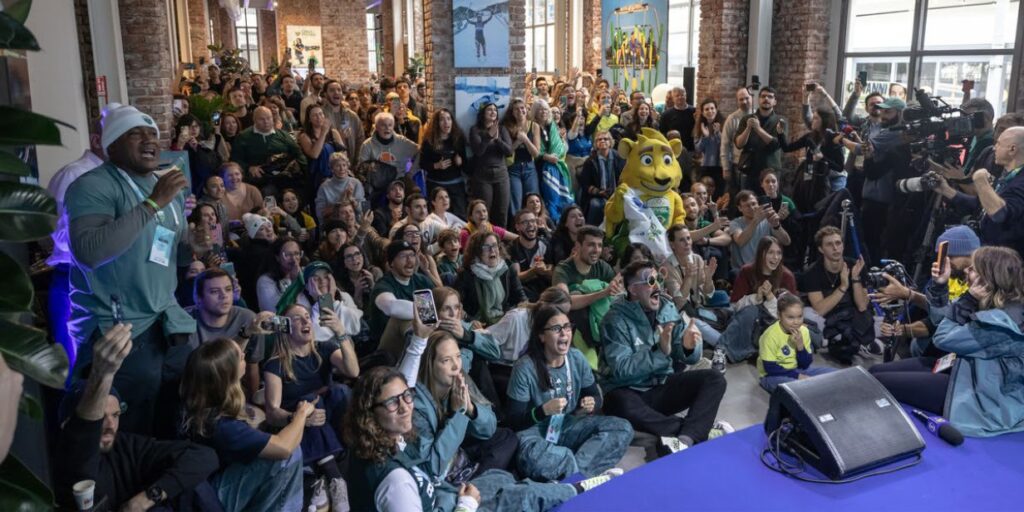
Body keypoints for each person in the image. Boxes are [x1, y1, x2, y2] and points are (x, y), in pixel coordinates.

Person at [66, 104, 195, 436]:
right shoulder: (92, 186)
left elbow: (170, 249)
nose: (149, 140)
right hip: (119, 331)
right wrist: (153, 203)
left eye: (152, 133)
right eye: (135, 133)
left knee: (176, 415)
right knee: (127, 432)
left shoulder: (164, 186)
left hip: (165, 322)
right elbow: (90, 252)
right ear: (111, 144)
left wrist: (197, 244)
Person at [343, 366, 617, 512]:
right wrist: (467, 505)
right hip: (453, 504)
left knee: (502, 478)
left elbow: (489, 428)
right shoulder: (395, 482)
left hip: (444, 494)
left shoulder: (382, 442)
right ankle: (584, 488)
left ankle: (560, 487)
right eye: (392, 403)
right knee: (522, 496)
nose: (405, 407)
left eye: (406, 396)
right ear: (370, 413)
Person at [56, 324, 218, 510]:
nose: (110, 424)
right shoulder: (66, 460)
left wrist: (147, 498)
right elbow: (82, 440)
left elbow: (204, 456)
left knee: (192, 485)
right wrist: (102, 374)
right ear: (67, 424)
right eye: (100, 417)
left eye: (115, 415)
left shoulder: (125, 445)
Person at [870, 246, 1024, 437]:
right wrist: (940, 285)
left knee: (876, 381)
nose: (967, 270)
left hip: (979, 396)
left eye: (973, 269)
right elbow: (940, 321)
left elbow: (943, 339)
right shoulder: (991, 300)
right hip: (964, 370)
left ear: (987, 280)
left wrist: (967, 300)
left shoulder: (1001, 324)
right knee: (874, 372)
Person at [599, 261, 731, 455]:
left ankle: (683, 440)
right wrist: (660, 352)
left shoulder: (666, 307)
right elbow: (622, 369)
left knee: (715, 379)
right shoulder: (614, 320)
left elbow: (687, 357)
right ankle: (695, 432)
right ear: (633, 289)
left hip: (660, 385)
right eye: (651, 280)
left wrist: (688, 347)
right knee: (618, 403)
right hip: (628, 391)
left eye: (659, 279)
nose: (658, 285)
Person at [505, 305, 632, 481]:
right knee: (534, 458)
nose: (564, 333)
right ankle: (586, 472)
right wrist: (542, 411)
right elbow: (513, 421)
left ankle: (574, 475)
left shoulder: (576, 358)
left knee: (622, 428)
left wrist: (591, 403)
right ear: (541, 336)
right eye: (556, 329)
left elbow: (596, 397)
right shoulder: (524, 368)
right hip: (534, 437)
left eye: (567, 327)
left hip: (567, 427)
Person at [180, 338, 309, 511]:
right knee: (289, 454)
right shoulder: (222, 427)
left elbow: (220, 358)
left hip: (201, 483)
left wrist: (247, 333)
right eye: (240, 358)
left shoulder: (198, 399)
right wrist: (301, 414)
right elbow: (283, 448)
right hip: (209, 496)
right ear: (229, 373)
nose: (244, 355)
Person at [263, 303, 357, 511]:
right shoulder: (275, 365)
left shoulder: (324, 348)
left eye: (307, 316)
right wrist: (297, 418)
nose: (306, 321)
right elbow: (271, 413)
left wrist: (341, 332)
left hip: (328, 425)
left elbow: (353, 371)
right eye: (297, 318)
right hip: (300, 429)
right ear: (285, 327)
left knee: (340, 390)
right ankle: (333, 477)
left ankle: (322, 473)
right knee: (309, 401)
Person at [398, 324, 516, 484]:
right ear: (429, 364)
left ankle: (479, 481)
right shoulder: (416, 403)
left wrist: (471, 410)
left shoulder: (459, 377)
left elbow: (490, 428)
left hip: (460, 450)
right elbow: (433, 466)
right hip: (441, 471)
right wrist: (458, 414)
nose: (456, 366)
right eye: (446, 360)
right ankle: (476, 486)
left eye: (458, 356)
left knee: (506, 437)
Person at [47, 116, 105, 367]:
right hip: (74, 277)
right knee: (75, 361)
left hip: (105, 280)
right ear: (97, 140)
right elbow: (57, 233)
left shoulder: (117, 177)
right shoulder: (75, 175)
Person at [185, 268, 274, 397]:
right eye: (214, 291)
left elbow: (252, 368)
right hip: (196, 395)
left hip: (234, 396)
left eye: (228, 289)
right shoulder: (184, 320)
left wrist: (251, 402)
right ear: (198, 297)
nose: (224, 296)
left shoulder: (248, 318)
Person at [938, 127, 1024, 256]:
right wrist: (946, 190)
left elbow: (1000, 214)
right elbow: (982, 206)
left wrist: (980, 179)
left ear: (1012, 149)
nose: (994, 148)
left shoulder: (1021, 182)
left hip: (1005, 262)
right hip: (989, 254)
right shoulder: (1007, 175)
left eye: (999, 144)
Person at [802, 226, 873, 365]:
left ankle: (858, 340)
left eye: (838, 243)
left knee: (865, 318)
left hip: (853, 312)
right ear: (821, 249)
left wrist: (855, 279)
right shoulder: (812, 273)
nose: (835, 248)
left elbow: (862, 305)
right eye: (829, 244)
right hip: (829, 316)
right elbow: (820, 309)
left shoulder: (855, 266)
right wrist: (843, 287)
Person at [368, 240, 438, 359]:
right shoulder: (384, 284)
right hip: (387, 350)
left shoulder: (420, 280)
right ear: (391, 263)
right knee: (402, 320)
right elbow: (391, 307)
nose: (409, 260)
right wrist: (430, 313)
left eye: (411, 255)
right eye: (403, 256)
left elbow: (441, 299)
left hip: (422, 342)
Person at [757, 294, 835, 392]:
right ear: (779, 315)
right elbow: (770, 368)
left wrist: (800, 347)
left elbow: (805, 364)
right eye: (790, 317)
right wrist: (797, 376)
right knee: (799, 388)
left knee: (836, 374)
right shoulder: (770, 335)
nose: (796, 322)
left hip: (797, 369)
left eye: (800, 316)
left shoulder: (804, 331)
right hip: (772, 376)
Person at [229, 106, 307, 195]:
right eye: (261, 119)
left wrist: (303, 169)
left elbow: (298, 153)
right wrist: (249, 168)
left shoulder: (282, 135)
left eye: (268, 118)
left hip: (285, 176)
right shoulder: (243, 137)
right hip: (259, 179)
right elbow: (235, 160)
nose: (266, 122)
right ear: (254, 120)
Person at [455, 231, 528, 325]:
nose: (492, 250)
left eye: (494, 245)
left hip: (505, 321)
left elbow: (521, 297)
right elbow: (457, 306)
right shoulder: (465, 274)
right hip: (477, 326)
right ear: (476, 252)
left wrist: (519, 310)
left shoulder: (508, 269)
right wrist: (470, 321)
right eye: (486, 247)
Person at [469, 102, 514, 227]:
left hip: (501, 174)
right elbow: (478, 151)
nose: (493, 112)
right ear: (483, 114)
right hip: (483, 175)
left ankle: (500, 241)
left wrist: (498, 140)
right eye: (489, 109)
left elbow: (509, 151)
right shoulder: (475, 130)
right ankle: (482, 238)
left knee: (501, 211)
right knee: (484, 210)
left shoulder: (502, 129)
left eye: (495, 110)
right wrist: (489, 136)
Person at [734, 87, 787, 193]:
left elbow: (776, 144)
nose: (766, 99)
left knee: (769, 203)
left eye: (770, 97)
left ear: (775, 101)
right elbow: (738, 144)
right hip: (749, 169)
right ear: (758, 100)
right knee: (747, 201)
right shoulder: (747, 119)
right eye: (763, 96)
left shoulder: (780, 121)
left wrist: (758, 129)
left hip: (770, 170)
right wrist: (748, 128)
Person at [419, 108, 469, 217]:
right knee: (438, 218)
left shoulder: (458, 139)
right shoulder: (429, 141)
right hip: (436, 184)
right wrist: (436, 165)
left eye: (448, 119)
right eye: (442, 119)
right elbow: (422, 163)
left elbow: (467, 165)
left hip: (455, 184)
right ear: (437, 123)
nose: (446, 122)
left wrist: (460, 162)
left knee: (460, 217)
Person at [533, 99, 574, 223]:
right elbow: (534, 150)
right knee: (549, 198)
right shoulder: (532, 126)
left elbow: (561, 149)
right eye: (540, 109)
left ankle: (565, 222)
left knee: (562, 198)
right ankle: (552, 224)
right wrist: (545, 156)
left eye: (545, 109)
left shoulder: (552, 126)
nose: (543, 112)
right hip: (542, 167)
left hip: (557, 165)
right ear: (534, 112)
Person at [729, 190, 790, 270]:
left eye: (754, 204)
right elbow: (741, 241)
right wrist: (756, 220)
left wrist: (776, 226)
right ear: (740, 208)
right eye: (747, 206)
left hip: (766, 267)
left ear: (758, 204)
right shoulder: (735, 223)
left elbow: (786, 242)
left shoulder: (767, 220)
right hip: (743, 270)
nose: (751, 208)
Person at [501, 98, 541, 218]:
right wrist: (518, 141)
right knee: (515, 202)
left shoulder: (534, 126)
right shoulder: (507, 127)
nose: (520, 111)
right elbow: (507, 152)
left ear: (526, 109)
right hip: (513, 168)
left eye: (522, 108)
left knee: (533, 200)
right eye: (516, 109)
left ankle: (534, 226)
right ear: (512, 112)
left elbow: (536, 153)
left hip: (530, 167)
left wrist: (525, 139)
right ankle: (516, 230)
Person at [730, 236, 797, 307]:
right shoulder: (746, 271)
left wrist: (770, 297)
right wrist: (756, 298)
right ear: (761, 254)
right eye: (771, 252)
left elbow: (793, 309)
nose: (776, 257)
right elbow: (734, 304)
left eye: (779, 253)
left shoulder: (787, 276)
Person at [171, 114, 226, 197]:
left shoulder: (203, 145)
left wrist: (197, 149)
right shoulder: (176, 145)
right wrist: (180, 145)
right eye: (189, 126)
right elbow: (174, 166)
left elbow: (209, 166)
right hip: (185, 187)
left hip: (203, 188)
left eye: (196, 126)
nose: (194, 129)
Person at [578, 131, 624, 225]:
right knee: (596, 205)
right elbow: (585, 183)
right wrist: (598, 192)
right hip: (598, 195)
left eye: (605, 139)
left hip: (618, 193)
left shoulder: (620, 158)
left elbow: (626, 177)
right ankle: (590, 230)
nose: (602, 141)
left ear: (610, 142)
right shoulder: (590, 161)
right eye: (599, 139)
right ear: (596, 144)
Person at [509, 209, 555, 301]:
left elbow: (554, 272)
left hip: (545, 290)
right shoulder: (512, 248)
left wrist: (545, 271)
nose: (530, 224)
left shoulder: (545, 244)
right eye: (525, 222)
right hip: (523, 293)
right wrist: (533, 271)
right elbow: (516, 277)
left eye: (533, 221)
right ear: (517, 227)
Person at [299, 104, 344, 199]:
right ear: (309, 119)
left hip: (336, 173)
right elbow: (314, 154)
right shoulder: (304, 136)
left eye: (321, 114)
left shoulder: (333, 132)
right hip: (317, 177)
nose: (319, 117)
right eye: (315, 115)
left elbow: (343, 154)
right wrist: (323, 133)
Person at [359, 111, 420, 178]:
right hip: (376, 183)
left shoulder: (402, 142)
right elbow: (362, 169)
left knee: (415, 188)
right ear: (376, 127)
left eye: (390, 125)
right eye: (383, 125)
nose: (387, 128)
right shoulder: (367, 145)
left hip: (399, 181)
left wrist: (410, 173)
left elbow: (419, 151)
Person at [321, 80, 365, 165]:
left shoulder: (352, 116)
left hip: (350, 163)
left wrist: (357, 161)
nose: (336, 92)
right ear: (325, 94)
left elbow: (360, 139)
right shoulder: (321, 115)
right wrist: (339, 138)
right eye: (332, 90)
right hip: (329, 165)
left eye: (339, 90)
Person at [720, 87, 754, 199]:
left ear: (752, 98)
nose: (744, 101)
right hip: (738, 164)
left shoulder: (758, 116)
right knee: (739, 196)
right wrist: (726, 168)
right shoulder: (732, 119)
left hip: (756, 163)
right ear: (737, 101)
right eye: (741, 99)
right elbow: (725, 144)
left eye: (746, 98)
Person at [257, 237, 303, 312]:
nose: (294, 259)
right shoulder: (265, 281)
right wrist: (295, 283)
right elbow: (277, 311)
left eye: (297, 253)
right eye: (287, 255)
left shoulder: (304, 274)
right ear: (277, 257)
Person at [316, 151, 365, 220]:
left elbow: (362, 210)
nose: (342, 169)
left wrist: (352, 200)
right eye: (338, 166)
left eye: (344, 165)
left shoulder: (356, 183)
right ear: (332, 169)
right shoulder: (324, 187)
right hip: (333, 222)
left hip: (354, 222)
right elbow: (319, 213)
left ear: (348, 167)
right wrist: (340, 203)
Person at [693, 99, 725, 193]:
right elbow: (698, 149)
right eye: (706, 109)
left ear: (716, 110)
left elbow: (726, 145)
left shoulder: (724, 124)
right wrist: (705, 137)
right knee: (704, 192)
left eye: (712, 108)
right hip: (705, 166)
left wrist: (718, 133)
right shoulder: (699, 127)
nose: (710, 111)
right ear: (703, 113)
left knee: (719, 192)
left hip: (720, 166)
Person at [658, 87, 696, 152]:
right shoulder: (666, 115)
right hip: (672, 149)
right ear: (673, 98)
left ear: (686, 96)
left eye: (682, 95)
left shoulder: (694, 111)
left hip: (691, 149)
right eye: (677, 96)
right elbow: (661, 132)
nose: (680, 97)